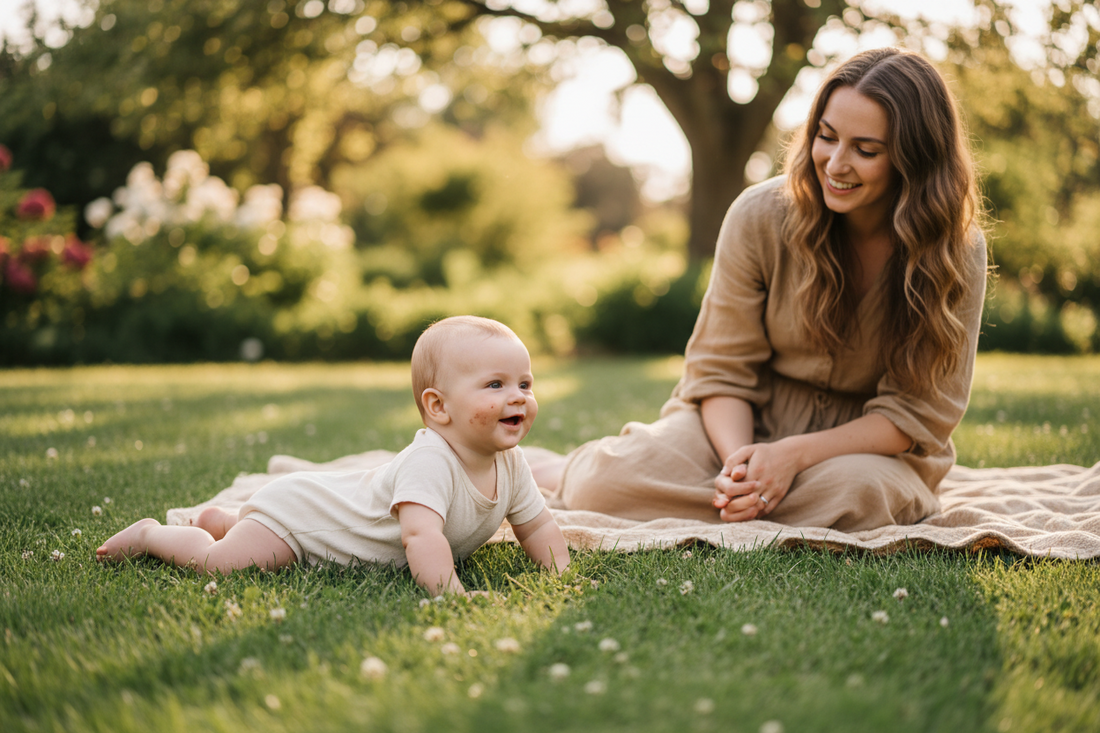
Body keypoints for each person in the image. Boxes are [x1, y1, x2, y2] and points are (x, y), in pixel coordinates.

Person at [534, 47, 988, 531]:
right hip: (739, 424)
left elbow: (916, 414)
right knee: (604, 483)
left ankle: (731, 503)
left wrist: (792, 456)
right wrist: (743, 469)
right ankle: (560, 472)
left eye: (866, 150)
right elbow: (722, 372)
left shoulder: (955, 251)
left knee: (859, 495)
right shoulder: (759, 215)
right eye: (826, 137)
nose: (835, 164)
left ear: (914, 158)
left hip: (866, 450)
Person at [98, 316, 571, 596]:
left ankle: (224, 518)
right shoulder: (431, 463)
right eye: (496, 384)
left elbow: (537, 526)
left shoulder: (511, 464)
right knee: (224, 565)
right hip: (301, 520)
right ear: (438, 406)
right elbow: (421, 537)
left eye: (525, 384)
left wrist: (561, 576)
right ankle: (154, 536)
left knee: (241, 535)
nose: (518, 397)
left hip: (316, 505)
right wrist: (452, 594)